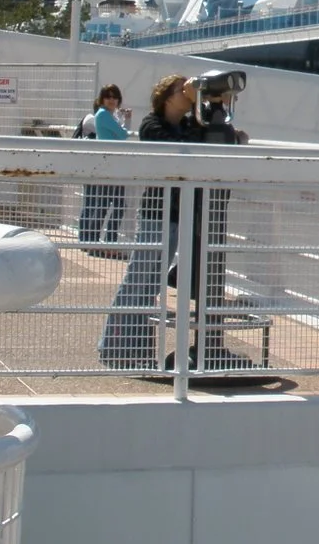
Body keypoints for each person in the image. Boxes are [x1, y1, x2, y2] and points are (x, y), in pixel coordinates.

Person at [97, 75, 243, 370]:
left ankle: (137, 350)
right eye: (181, 90)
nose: (188, 93)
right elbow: (182, 151)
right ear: (166, 97)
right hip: (157, 213)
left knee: (151, 284)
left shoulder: (190, 123)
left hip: (182, 214)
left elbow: (215, 142)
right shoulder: (152, 125)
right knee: (139, 279)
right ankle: (113, 347)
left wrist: (216, 106)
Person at [77, 84, 128, 249]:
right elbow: (123, 135)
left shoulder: (108, 115)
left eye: (115, 97)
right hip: (107, 165)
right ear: (102, 99)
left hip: (112, 165)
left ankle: (102, 242)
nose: (112, 100)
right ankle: (96, 242)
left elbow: (119, 135)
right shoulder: (103, 115)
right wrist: (126, 122)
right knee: (105, 205)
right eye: (108, 97)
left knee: (110, 205)